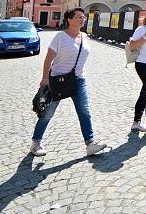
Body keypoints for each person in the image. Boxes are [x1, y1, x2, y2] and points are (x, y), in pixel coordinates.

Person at [31, 8, 107, 157]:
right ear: (69, 20)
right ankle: (36, 142)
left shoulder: (85, 37)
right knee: (47, 113)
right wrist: (45, 79)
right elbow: (48, 59)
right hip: (57, 80)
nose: (82, 19)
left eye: (83, 17)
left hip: (78, 80)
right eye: (78, 17)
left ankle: (90, 143)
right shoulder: (60, 36)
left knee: (84, 111)